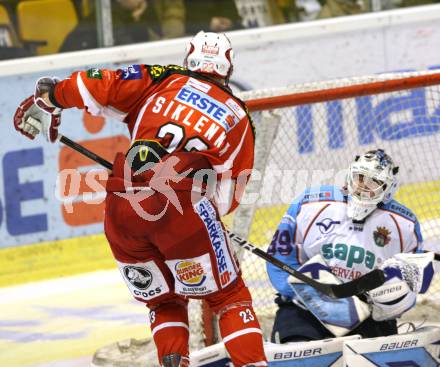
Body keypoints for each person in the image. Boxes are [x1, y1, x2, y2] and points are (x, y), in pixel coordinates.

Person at [13, 31, 267, 367]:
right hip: (182, 209)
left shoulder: (162, 78)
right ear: (228, 68)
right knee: (228, 296)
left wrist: (51, 98)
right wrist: (203, 223)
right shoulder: (239, 116)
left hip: (123, 205)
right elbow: (229, 193)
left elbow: (95, 83)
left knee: (164, 301)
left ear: (188, 59)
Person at [266, 149, 434, 343]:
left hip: (367, 315)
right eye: (360, 178)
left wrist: (391, 304)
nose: (363, 186)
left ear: (388, 189)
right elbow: (280, 257)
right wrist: (314, 298)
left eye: (374, 183)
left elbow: (417, 280)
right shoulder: (310, 203)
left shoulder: (404, 224)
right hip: (306, 310)